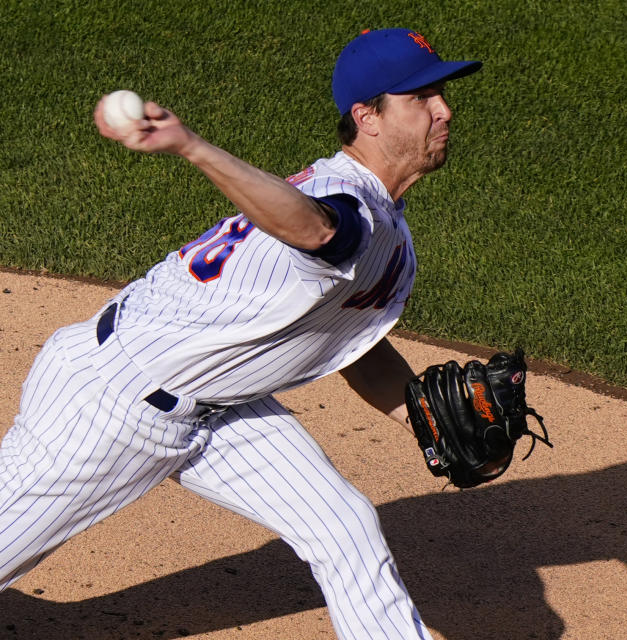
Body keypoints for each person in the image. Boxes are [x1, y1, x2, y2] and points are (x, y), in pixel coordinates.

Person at [0, 28, 481, 640]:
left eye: (439, 92)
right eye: (421, 98)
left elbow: (349, 343)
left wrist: (429, 418)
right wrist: (192, 146)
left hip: (219, 405)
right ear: (368, 118)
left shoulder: (379, 212)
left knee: (343, 526)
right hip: (111, 403)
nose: (444, 110)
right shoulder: (342, 202)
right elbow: (317, 231)